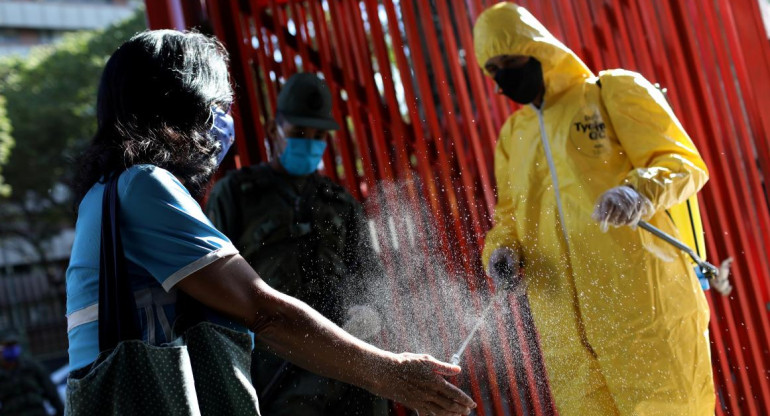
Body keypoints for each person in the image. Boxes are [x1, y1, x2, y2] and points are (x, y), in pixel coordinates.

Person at [67, 30, 475, 416]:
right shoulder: (144, 186)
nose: (222, 124)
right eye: (217, 108)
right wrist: (389, 372)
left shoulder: (106, 194)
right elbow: (264, 311)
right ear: (180, 106)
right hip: (282, 380)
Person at [473, 3, 713, 415]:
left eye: (511, 60)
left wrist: (639, 193)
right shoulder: (514, 135)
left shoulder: (611, 92)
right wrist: (500, 251)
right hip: (567, 341)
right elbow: (509, 217)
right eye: (493, 69)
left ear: (538, 48)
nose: (504, 76)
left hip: (646, 318)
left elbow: (682, 163)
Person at [206, 72, 386, 415]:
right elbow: (213, 285)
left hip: (349, 364)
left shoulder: (340, 202)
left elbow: (370, 276)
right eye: (299, 132)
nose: (310, 141)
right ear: (275, 129)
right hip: (275, 369)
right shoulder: (238, 195)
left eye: (319, 135)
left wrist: (371, 312)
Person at [0, 329, 64, 416]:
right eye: (8, 345)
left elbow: (51, 392)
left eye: (14, 345)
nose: (12, 348)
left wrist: (61, 412)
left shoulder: (31, 367)